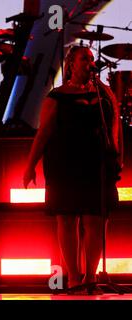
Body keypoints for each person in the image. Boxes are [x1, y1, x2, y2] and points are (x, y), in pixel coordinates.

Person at [23, 46, 123, 295]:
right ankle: (74, 279)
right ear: (71, 64)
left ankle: (91, 277)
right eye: (84, 59)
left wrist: (116, 155)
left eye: (91, 58)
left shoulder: (104, 95)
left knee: (96, 220)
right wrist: (30, 166)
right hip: (65, 163)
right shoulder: (57, 96)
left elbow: (114, 125)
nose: (90, 62)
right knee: (67, 219)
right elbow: (43, 132)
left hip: (96, 164)